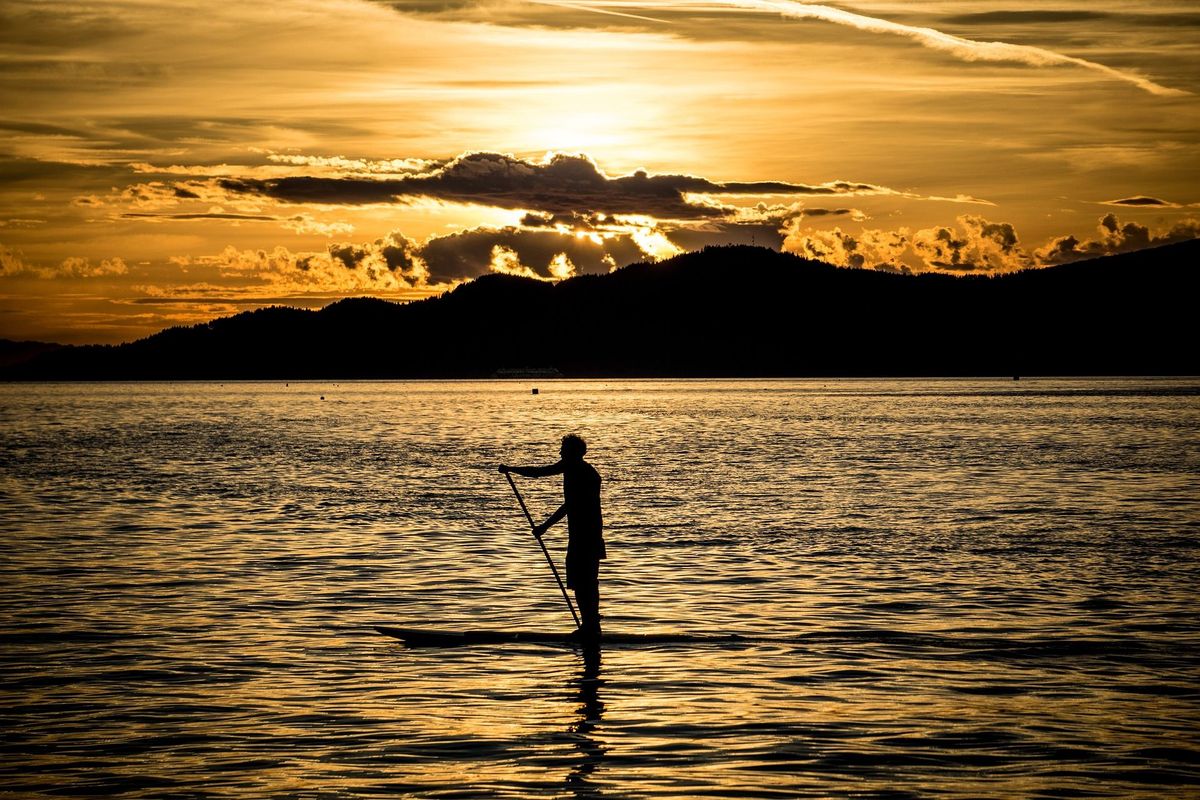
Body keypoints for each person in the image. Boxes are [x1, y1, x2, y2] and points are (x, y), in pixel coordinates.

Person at [500, 434, 605, 639]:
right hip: (581, 535)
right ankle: (589, 625)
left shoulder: (582, 472)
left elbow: (569, 504)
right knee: (581, 581)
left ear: (573, 453)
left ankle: (591, 626)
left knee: (586, 581)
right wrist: (512, 470)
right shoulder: (573, 467)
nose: (559, 452)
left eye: (563, 449)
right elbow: (540, 473)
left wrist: (544, 527)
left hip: (587, 536)